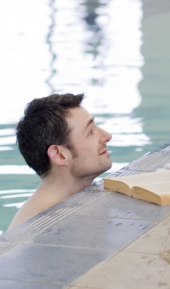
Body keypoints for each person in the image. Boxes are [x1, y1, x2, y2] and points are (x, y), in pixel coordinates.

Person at [9, 93, 113, 229]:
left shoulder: (70, 206)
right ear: (60, 155)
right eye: (91, 132)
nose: (107, 136)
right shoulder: (42, 229)